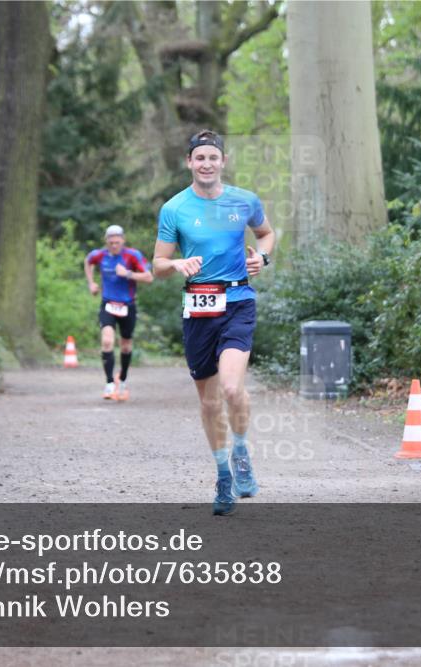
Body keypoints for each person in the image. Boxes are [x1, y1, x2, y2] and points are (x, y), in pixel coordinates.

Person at [152, 130, 276, 515]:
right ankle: (223, 475)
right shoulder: (174, 209)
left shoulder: (244, 201)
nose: (206, 164)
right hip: (198, 308)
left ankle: (241, 453)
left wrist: (263, 257)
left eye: (213, 157)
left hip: (238, 301)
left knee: (231, 387)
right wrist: (175, 264)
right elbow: (157, 265)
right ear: (189, 162)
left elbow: (266, 234)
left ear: (223, 161)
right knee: (208, 404)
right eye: (199, 158)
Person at [84, 225, 153, 400]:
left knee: (126, 346)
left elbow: (149, 277)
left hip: (127, 305)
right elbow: (88, 261)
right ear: (106, 241)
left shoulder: (132, 255)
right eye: (111, 242)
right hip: (107, 303)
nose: (114, 245)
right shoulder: (99, 255)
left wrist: (128, 274)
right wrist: (91, 283)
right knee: (107, 341)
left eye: (117, 242)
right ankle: (109, 384)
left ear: (123, 240)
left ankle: (122, 380)